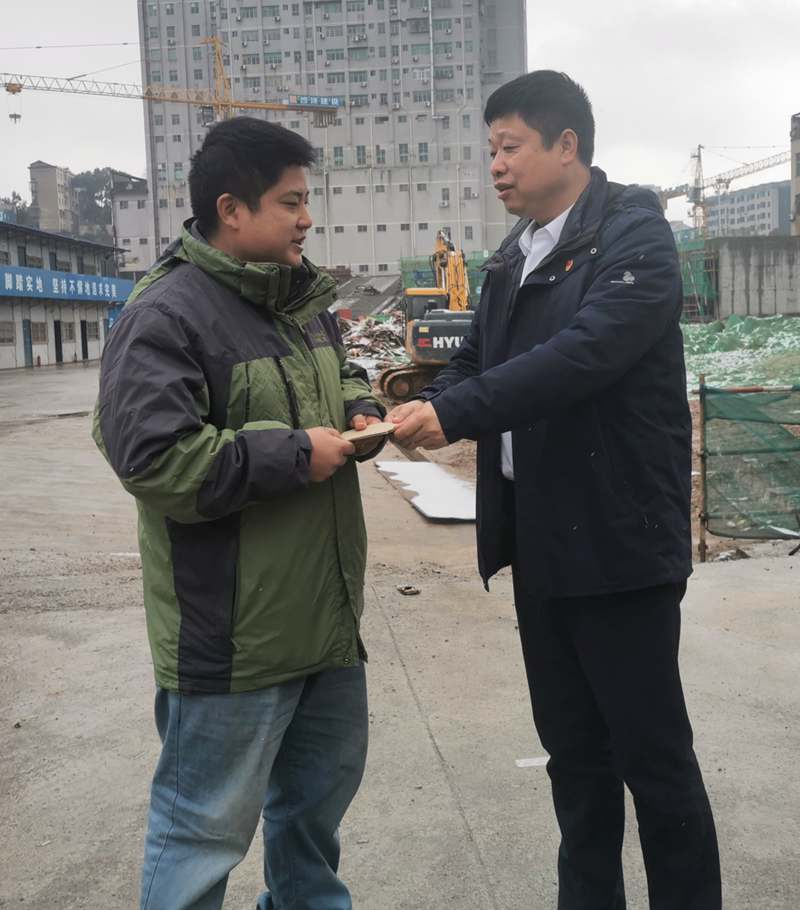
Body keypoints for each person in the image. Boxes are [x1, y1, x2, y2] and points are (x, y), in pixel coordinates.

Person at [390, 71, 721, 909]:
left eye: (510, 147)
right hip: (541, 544)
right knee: (574, 761)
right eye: (491, 149)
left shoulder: (634, 239)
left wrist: (456, 410)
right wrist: (413, 406)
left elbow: (580, 356)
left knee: (654, 762)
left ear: (566, 145)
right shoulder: (513, 255)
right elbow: (476, 360)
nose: (495, 165)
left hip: (617, 541)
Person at [93, 116, 386, 910]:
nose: (307, 219)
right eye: (290, 202)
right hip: (231, 640)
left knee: (313, 820)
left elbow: (339, 373)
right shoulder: (167, 315)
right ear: (231, 209)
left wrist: (358, 411)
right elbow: (156, 461)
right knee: (201, 833)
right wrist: (293, 454)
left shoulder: (300, 298)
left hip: (325, 623)